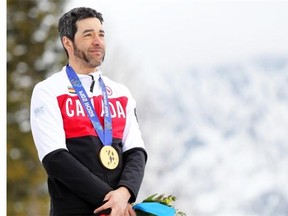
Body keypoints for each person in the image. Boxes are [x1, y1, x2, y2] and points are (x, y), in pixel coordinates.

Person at [30, 7, 147, 216]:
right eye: (88, 34)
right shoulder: (47, 91)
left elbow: (136, 151)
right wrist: (113, 201)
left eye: (101, 34)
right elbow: (55, 158)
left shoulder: (121, 92)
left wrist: (125, 191)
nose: (97, 41)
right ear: (67, 42)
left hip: (119, 209)